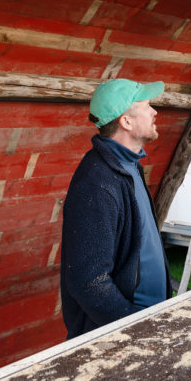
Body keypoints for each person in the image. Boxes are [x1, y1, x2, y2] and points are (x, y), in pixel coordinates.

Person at [60, 78, 172, 339]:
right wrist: (133, 328)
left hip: (145, 322)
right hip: (121, 335)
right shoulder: (97, 182)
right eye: (146, 106)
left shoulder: (128, 166)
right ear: (126, 121)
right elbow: (88, 281)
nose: (155, 111)